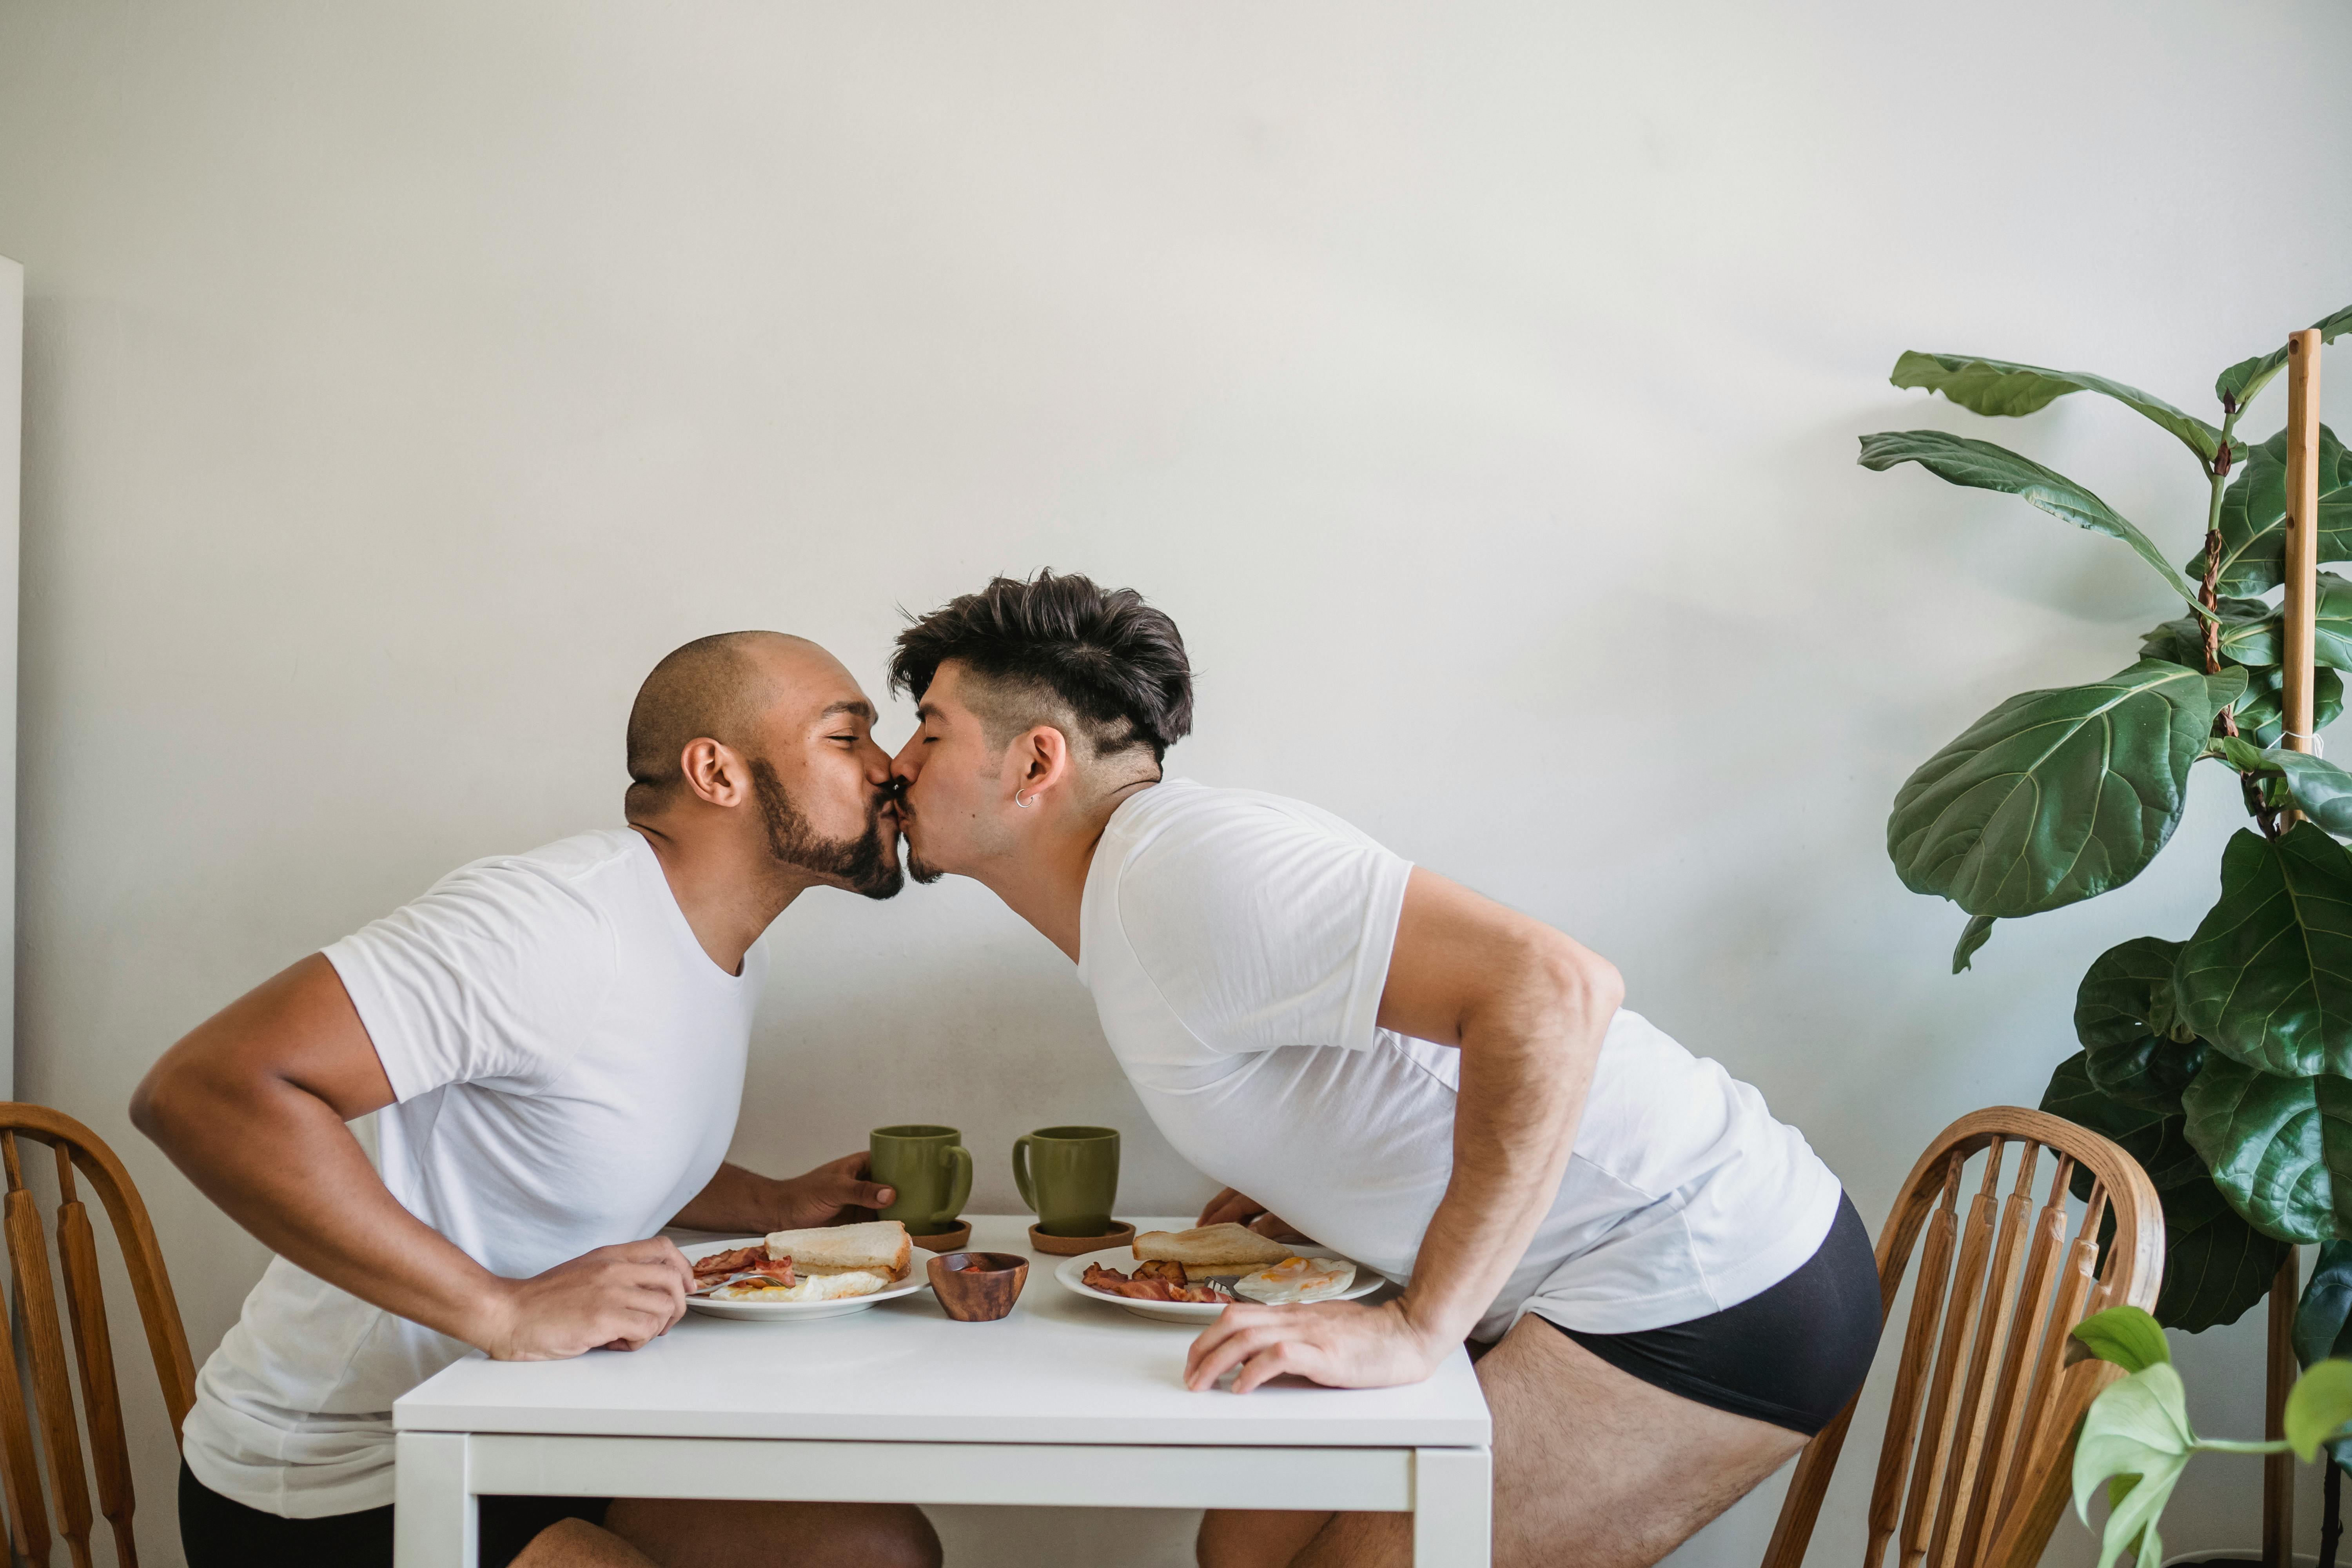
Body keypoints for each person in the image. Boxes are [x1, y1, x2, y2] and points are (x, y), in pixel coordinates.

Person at [883, 573, 1880, 1568]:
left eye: (929, 731)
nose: (897, 764)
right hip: (1586, 1269)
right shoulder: (1140, 889)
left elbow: (1554, 986)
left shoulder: (1177, 870)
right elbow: (1372, 1057)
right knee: (1243, 1543)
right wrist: (1307, 1184)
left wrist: (1418, 1327)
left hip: (1713, 1270)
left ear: (1034, 761)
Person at [134, 632, 942, 1568]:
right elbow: (203, 1088)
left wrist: (773, 1202)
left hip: (531, 1420)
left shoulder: (723, 948)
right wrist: (499, 1310)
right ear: (717, 771)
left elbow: (571, 1137)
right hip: (339, 1474)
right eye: (848, 738)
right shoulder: (551, 923)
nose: (890, 768)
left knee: (881, 1548)